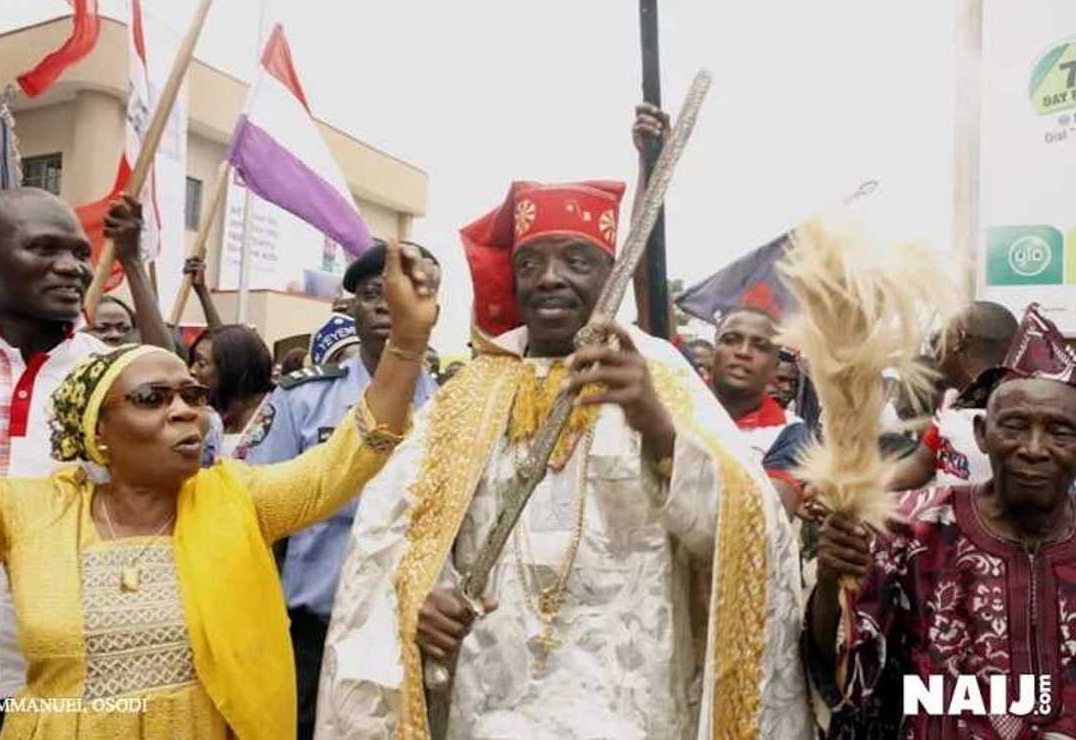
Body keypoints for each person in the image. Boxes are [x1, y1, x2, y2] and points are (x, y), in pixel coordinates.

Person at [315, 181, 811, 739]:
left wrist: (658, 427)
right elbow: (393, 537)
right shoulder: (471, 391)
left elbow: (753, 531)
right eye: (531, 263)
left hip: (630, 704)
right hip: (489, 703)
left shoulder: (661, 375)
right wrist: (422, 597)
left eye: (575, 260)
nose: (549, 276)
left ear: (610, 273)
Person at [0, 234, 438, 740]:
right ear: (98, 429)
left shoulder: (236, 498)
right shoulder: (30, 509)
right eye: (152, 398)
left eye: (192, 393)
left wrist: (406, 344)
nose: (185, 410)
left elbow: (352, 454)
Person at [0, 188, 171, 739]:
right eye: (45, 249)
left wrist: (133, 266)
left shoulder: (107, 375)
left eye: (79, 252)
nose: (71, 268)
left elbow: (176, 400)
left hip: (58, 689)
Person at [806, 304, 1076, 739]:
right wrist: (830, 580)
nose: (1034, 448)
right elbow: (844, 669)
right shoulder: (911, 530)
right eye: (1014, 426)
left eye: (1060, 432)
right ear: (982, 435)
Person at [241, 242, 439, 740]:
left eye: (408, 291)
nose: (389, 303)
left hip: (408, 632)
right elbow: (255, 519)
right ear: (353, 307)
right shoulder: (302, 397)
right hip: (311, 632)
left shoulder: (453, 406)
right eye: (374, 292)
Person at [888, 300, 1018, 491]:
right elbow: (920, 466)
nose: (934, 350)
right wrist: (847, 490)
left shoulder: (1021, 404)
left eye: (938, 338)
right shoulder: (953, 402)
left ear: (958, 339)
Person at [709, 306, 810, 516]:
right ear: (713, 354)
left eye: (761, 346)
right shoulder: (675, 405)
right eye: (730, 340)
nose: (743, 352)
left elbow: (766, 521)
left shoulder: (789, 431)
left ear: (774, 367)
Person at [188, 324, 274, 458]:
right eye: (192, 362)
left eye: (201, 363)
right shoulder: (208, 416)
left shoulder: (280, 417)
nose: (191, 371)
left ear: (232, 368)